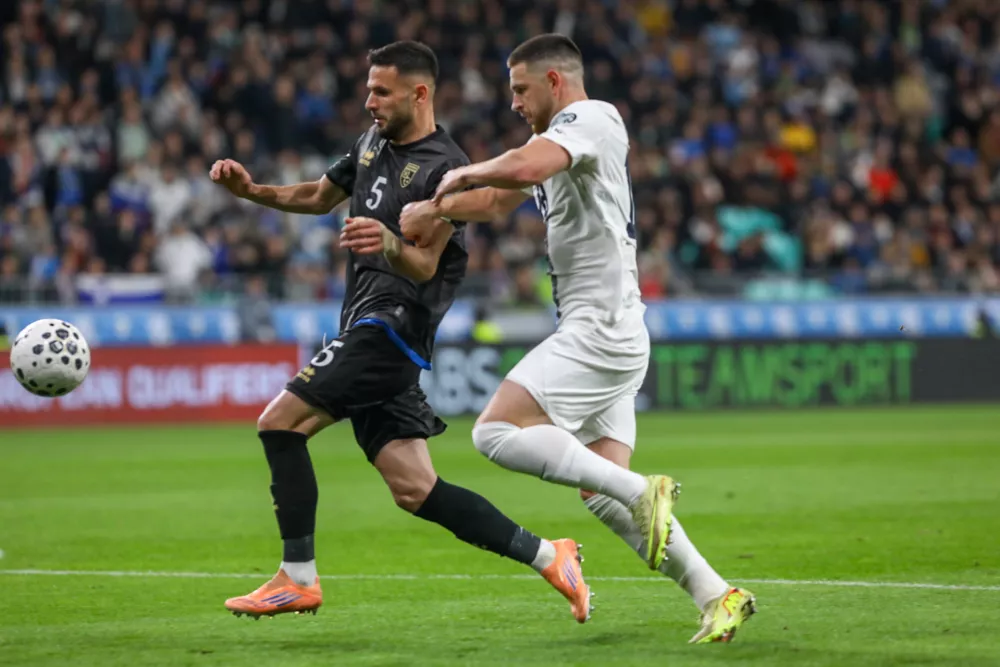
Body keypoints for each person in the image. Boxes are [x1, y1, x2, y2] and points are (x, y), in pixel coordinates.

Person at [209, 41, 591, 624]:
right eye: (368, 89)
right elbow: (317, 195)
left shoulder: (447, 168)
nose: (369, 102)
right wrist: (252, 191)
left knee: (278, 423)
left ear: (419, 93)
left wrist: (387, 241)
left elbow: (424, 266)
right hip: (369, 325)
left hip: (389, 328)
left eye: (381, 91)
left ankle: (297, 577)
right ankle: (550, 555)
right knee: (416, 489)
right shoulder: (370, 143)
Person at [400, 34, 756, 643]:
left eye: (520, 88)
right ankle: (718, 594)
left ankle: (644, 489)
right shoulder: (559, 145)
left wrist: (462, 168)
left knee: (494, 432)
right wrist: (441, 209)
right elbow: (494, 200)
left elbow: (521, 166)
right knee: (600, 494)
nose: (513, 102)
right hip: (608, 328)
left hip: (602, 327)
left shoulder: (590, 118)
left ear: (555, 83)